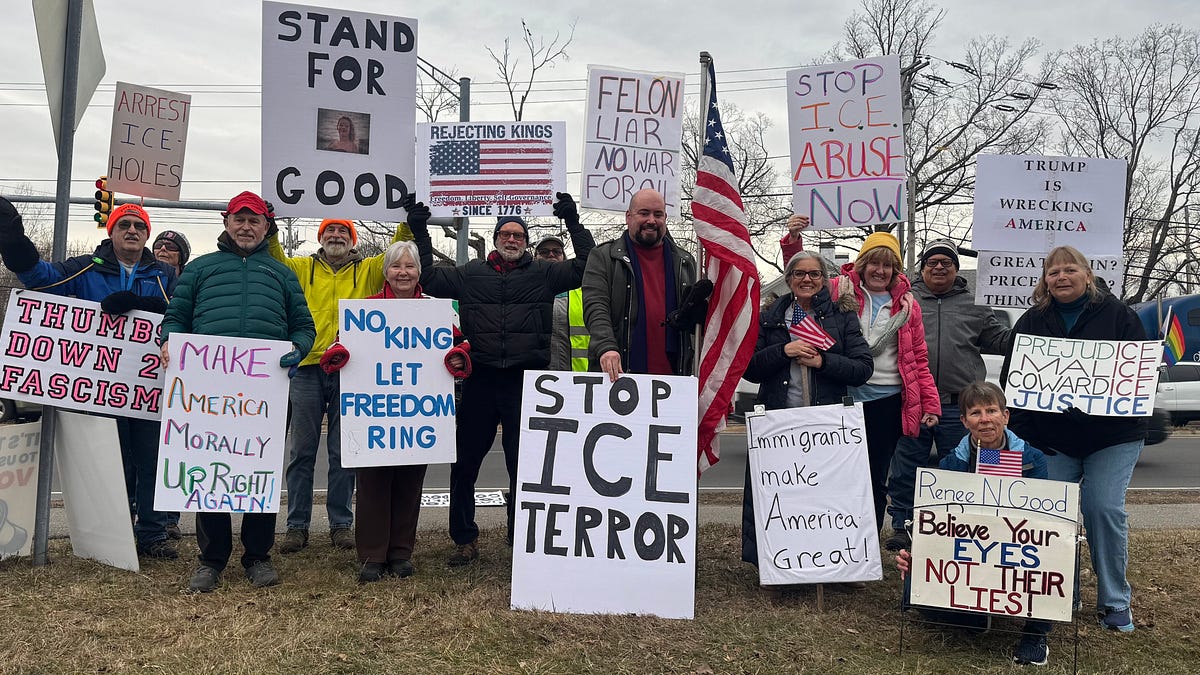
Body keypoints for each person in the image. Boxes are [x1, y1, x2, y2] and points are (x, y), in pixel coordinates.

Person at [408, 193, 594, 566]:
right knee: (464, 464)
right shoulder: (470, 273)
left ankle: (520, 534)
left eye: (518, 235)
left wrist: (573, 221)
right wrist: (420, 231)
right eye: (506, 234)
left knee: (523, 465)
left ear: (526, 241)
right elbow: (427, 278)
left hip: (525, 382)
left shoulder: (544, 273)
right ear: (495, 239)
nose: (512, 239)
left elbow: (585, 266)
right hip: (480, 379)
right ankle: (464, 538)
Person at [0, 197, 178, 559]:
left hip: (150, 389)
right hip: (101, 390)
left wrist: (144, 305)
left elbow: (184, 310)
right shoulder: (85, 268)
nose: (132, 231)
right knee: (111, 461)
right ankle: (115, 533)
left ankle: (153, 533)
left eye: (139, 226)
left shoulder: (164, 275)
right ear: (111, 232)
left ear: (147, 234)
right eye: (124, 225)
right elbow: (39, 278)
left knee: (152, 460)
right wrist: (13, 238)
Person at [160, 191, 315, 593]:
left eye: (254, 221)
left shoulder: (282, 274)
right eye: (239, 220)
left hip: (265, 393)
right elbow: (175, 317)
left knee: (259, 471)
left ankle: (258, 556)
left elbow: (304, 326)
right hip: (207, 393)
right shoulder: (200, 269)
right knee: (209, 470)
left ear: (266, 227)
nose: (246, 227)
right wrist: (169, 340)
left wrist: (298, 349)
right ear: (227, 223)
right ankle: (211, 559)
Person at [1000, 245, 1146, 633]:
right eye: (1053, 272)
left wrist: (1097, 409)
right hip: (1052, 440)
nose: (1062, 277)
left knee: (1102, 508)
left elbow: (1137, 382)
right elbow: (1012, 384)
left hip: (1112, 437)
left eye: (1070, 270)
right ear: (1045, 281)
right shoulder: (1031, 321)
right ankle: (1062, 590)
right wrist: (1030, 439)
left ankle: (1115, 601)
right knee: (1049, 515)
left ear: (1088, 275)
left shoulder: (1120, 317)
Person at [320, 240, 472, 583]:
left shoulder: (436, 310)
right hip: (375, 414)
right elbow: (338, 344)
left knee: (409, 481)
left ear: (419, 271)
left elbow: (461, 343)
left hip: (418, 415)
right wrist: (339, 354)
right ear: (386, 272)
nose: (403, 272)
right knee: (373, 482)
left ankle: (401, 553)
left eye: (410, 266)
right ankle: (372, 556)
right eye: (396, 266)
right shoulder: (365, 310)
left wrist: (458, 357)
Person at [268, 212, 413, 554]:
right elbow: (276, 260)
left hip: (351, 369)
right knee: (301, 452)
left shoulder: (369, 270)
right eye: (329, 230)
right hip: (306, 367)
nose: (336, 235)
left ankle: (341, 524)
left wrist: (406, 216)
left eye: (342, 231)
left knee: (344, 452)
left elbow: (398, 248)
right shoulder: (302, 268)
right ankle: (297, 526)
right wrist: (271, 228)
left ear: (352, 239)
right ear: (321, 237)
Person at [895, 381, 1052, 666]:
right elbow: (939, 522)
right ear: (964, 421)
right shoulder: (950, 464)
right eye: (976, 413)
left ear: (1005, 416)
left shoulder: (1033, 459)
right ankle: (975, 617)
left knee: (1057, 554)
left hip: (1018, 542)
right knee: (918, 593)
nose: (985, 419)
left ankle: (1035, 635)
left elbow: (1043, 519)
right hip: (970, 544)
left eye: (991, 410)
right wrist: (918, 554)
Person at [740, 251, 873, 568]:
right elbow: (750, 369)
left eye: (814, 274)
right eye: (799, 273)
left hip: (826, 426)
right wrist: (783, 350)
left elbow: (862, 368)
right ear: (789, 279)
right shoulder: (769, 317)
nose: (807, 279)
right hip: (777, 425)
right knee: (778, 498)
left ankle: (832, 561)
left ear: (824, 280)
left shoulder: (842, 316)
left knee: (826, 498)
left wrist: (822, 361)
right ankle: (774, 563)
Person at [884, 239, 1010, 551]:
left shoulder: (975, 304)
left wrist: (1035, 325)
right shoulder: (904, 300)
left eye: (947, 262)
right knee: (906, 469)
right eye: (932, 262)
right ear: (922, 267)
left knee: (964, 468)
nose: (939, 267)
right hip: (913, 402)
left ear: (956, 268)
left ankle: (961, 526)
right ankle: (902, 525)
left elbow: (999, 340)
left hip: (960, 406)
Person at [828, 231, 940, 531]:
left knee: (876, 477)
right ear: (862, 264)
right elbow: (802, 285)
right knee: (838, 476)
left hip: (886, 403)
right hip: (843, 397)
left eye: (888, 265)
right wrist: (792, 243)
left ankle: (868, 546)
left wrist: (930, 403)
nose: (880, 270)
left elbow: (918, 358)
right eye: (874, 263)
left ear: (895, 270)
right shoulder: (839, 291)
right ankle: (837, 542)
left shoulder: (907, 306)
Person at [582, 188, 703, 380]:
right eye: (644, 213)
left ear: (665, 218)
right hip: (618, 376)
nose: (651, 220)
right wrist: (606, 347)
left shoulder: (686, 262)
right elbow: (595, 306)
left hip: (675, 379)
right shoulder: (603, 257)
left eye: (658, 214)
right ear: (628, 217)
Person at [150, 228, 192, 540]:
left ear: (182, 258)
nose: (163, 250)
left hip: (180, 383)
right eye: (159, 246)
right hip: (141, 382)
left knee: (174, 450)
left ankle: (170, 518)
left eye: (171, 247)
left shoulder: (190, 285)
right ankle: (140, 513)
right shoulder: (146, 279)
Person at [537, 235, 589, 372]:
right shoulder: (528, 290)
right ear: (535, 258)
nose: (551, 255)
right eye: (544, 252)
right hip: (539, 376)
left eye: (557, 251)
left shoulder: (583, 291)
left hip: (579, 375)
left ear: (564, 257)